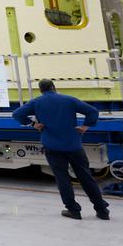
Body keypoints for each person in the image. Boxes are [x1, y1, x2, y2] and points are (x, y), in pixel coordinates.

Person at [12, 79, 109, 220]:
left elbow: (17, 114)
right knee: (86, 177)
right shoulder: (69, 100)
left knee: (62, 179)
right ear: (54, 87)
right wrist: (85, 127)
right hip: (73, 145)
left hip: (52, 147)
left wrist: (33, 124)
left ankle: (73, 210)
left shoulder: (37, 102)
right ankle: (102, 210)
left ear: (41, 90)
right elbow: (92, 112)